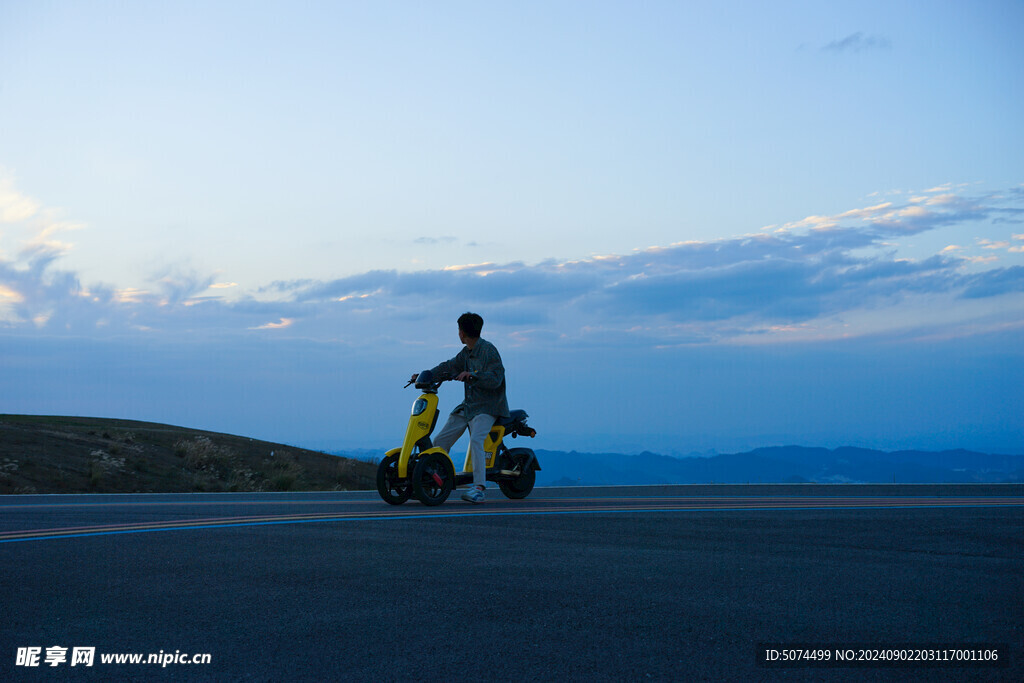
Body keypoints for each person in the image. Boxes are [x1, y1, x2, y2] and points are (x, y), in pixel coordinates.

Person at [411, 312, 509, 503]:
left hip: (488, 406)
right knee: (440, 440)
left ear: (463, 333)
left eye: (459, 330)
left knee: (476, 440)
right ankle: (434, 481)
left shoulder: (489, 351)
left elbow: (496, 379)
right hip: (469, 406)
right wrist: (426, 375)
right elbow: (449, 366)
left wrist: (473, 375)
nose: (458, 333)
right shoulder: (466, 354)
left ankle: (479, 488)